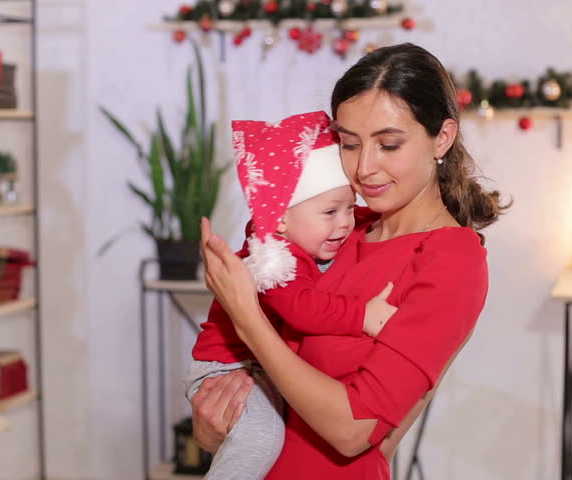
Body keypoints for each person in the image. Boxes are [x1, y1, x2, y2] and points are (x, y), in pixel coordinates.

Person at [193, 43, 509, 479]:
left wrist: (245, 314)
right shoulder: (342, 228)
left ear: (442, 137)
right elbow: (244, 399)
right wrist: (212, 426)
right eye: (348, 143)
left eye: (389, 145)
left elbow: (353, 429)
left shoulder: (452, 259)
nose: (364, 168)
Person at [185, 111, 397, 479]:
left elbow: (356, 217)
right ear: (280, 220)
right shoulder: (272, 262)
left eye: (349, 207)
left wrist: (380, 217)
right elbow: (302, 310)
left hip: (258, 365)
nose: (345, 222)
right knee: (261, 438)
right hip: (227, 369)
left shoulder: (307, 234)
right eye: (331, 211)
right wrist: (361, 315)